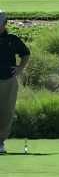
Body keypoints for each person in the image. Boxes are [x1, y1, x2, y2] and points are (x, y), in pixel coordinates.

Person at [0, 10, 30, 155]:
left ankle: (0, 143)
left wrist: (20, 69)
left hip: (8, 81)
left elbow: (25, 54)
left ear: (5, 24)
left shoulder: (12, 39)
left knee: (6, 113)